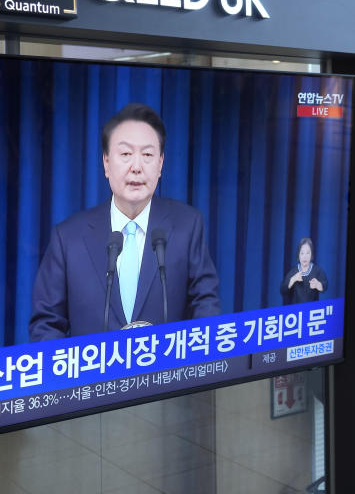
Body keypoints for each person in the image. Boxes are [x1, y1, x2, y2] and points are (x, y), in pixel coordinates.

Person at [28, 103, 221, 341]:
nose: (136, 167)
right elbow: (46, 325)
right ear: (106, 163)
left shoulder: (187, 225)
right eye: (126, 154)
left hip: (168, 375)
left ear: (160, 164)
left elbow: (206, 307)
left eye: (148, 155)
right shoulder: (68, 238)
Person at [281, 237, 328, 304]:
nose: (305, 257)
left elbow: (325, 285)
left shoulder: (317, 270)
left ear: (311, 255)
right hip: (296, 311)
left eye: (308, 253)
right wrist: (293, 280)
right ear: (298, 255)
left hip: (312, 310)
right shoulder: (293, 271)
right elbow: (283, 290)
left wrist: (318, 285)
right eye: (302, 253)